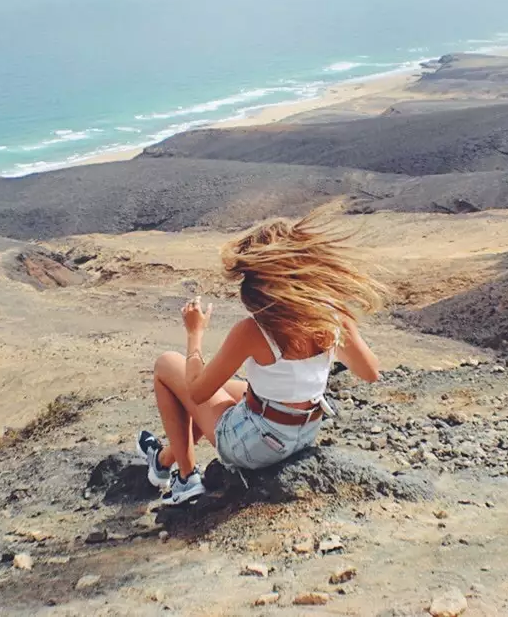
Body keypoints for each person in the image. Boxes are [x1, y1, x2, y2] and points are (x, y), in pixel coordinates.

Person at [137, 215, 386, 504]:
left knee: (167, 364)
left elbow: (197, 391)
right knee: (232, 388)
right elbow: (370, 372)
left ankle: (185, 480)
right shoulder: (331, 315)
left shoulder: (253, 331)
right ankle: (165, 460)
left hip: (254, 447)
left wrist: (195, 334)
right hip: (303, 434)